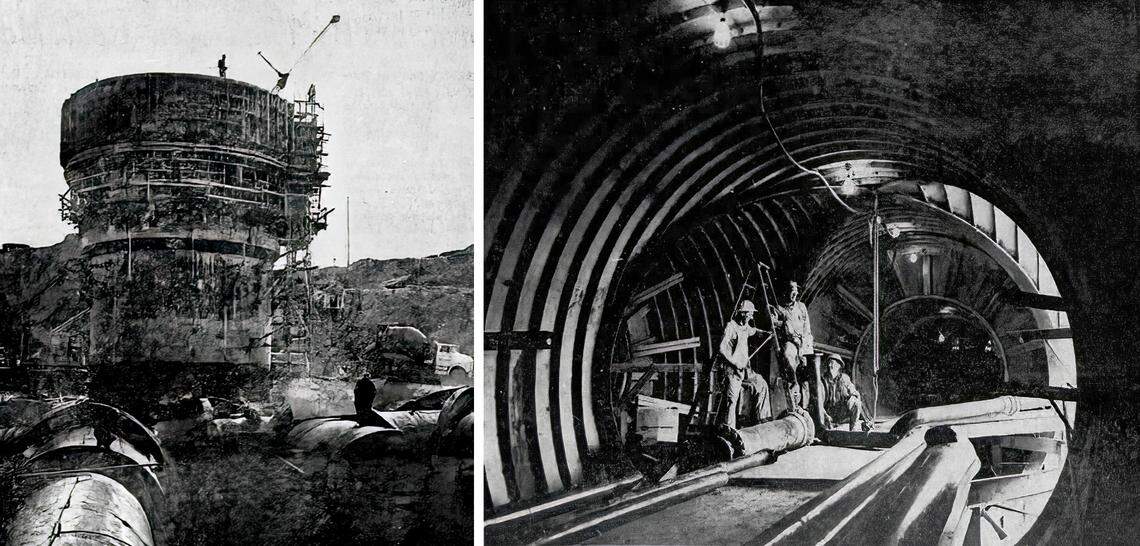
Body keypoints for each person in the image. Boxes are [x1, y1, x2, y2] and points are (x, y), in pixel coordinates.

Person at [716, 300, 771, 429]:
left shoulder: (746, 327)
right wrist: (734, 362)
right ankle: (729, 430)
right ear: (742, 313)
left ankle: (761, 421)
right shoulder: (731, 326)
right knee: (731, 400)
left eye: (752, 314)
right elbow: (721, 348)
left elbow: (754, 331)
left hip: (746, 369)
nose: (751, 317)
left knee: (762, 385)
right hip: (732, 370)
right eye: (749, 314)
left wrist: (766, 333)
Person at [769, 281, 814, 410]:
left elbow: (807, 328)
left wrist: (805, 347)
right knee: (788, 355)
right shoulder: (781, 308)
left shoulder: (801, 307)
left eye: (796, 291)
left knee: (805, 376)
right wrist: (773, 317)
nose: (795, 293)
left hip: (803, 343)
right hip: (791, 342)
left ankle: (805, 408)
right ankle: (794, 388)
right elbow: (775, 322)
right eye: (792, 290)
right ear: (787, 292)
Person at [822, 356, 869, 431]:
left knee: (856, 402)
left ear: (838, 366)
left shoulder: (844, 378)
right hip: (828, 413)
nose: (829, 365)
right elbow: (819, 402)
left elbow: (855, 393)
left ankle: (853, 428)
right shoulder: (823, 380)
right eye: (829, 363)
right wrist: (824, 415)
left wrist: (852, 398)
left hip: (841, 411)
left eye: (832, 363)